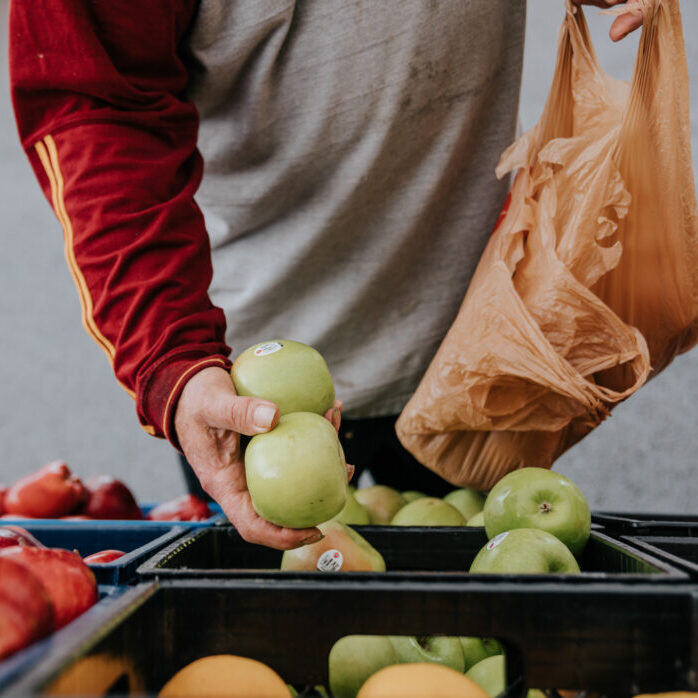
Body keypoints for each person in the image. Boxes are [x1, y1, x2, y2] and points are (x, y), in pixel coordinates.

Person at [9, 0, 642, 550]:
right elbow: (97, 101)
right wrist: (173, 356)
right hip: (244, 371)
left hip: (474, 332)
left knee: (481, 644)